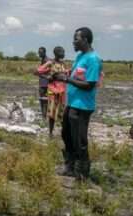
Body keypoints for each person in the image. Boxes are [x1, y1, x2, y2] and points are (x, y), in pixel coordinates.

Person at [55, 27, 103, 180]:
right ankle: (70, 167)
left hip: (83, 106)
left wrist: (66, 79)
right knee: (66, 134)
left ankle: (82, 173)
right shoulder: (80, 57)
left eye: (76, 39)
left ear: (85, 40)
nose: (73, 42)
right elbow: (77, 75)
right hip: (72, 103)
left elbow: (89, 85)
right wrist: (65, 74)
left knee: (79, 140)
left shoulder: (93, 59)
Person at [37, 46, 67, 137]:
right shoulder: (51, 63)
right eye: (62, 52)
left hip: (62, 91)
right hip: (53, 91)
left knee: (61, 113)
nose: (64, 53)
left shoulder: (63, 64)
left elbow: (65, 74)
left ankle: (64, 133)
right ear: (57, 53)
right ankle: (50, 133)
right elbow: (38, 71)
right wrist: (48, 77)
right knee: (52, 113)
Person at [35, 47, 50, 119]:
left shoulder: (47, 61)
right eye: (39, 52)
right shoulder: (43, 60)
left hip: (45, 83)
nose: (39, 54)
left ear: (44, 52)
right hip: (43, 83)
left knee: (44, 100)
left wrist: (39, 74)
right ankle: (44, 116)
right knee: (43, 100)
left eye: (40, 52)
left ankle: (44, 117)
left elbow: (48, 72)